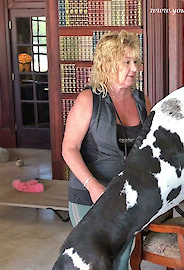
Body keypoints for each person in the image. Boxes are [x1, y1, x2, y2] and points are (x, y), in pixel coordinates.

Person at [61, 30, 151, 269]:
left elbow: (147, 149)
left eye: (136, 61)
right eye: (127, 62)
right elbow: (69, 148)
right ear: (108, 63)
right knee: (96, 261)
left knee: (121, 258)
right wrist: (92, 186)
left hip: (126, 196)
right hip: (89, 196)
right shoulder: (87, 100)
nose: (134, 68)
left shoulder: (142, 100)